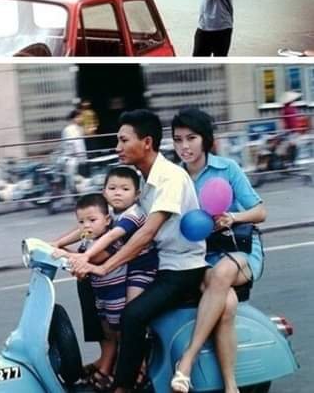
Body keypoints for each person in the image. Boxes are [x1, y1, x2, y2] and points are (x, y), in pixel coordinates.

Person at [71, 109, 207, 393]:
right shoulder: (143, 180)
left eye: (123, 140)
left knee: (133, 315)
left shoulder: (170, 177)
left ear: (146, 142)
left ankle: (123, 386)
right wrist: (72, 252)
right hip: (158, 262)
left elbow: (146, 233)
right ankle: (108, 356)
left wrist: (104, 266)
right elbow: (112, 225)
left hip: (180, 268)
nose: (117, 147)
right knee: (86, 284)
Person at [170, 107, 267, 393]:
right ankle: (231, 386)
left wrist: (233, 217)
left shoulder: (227, 168)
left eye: (191, 138)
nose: (184, 146)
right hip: (199, 257)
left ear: (206, 139)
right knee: (226, 306)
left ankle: (186, 361)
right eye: (178, 139)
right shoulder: (174, 177)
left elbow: (260, 210)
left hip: (239, 252)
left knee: (222, 273)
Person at [55, 167, 158, 390]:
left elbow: (108, 240)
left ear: (137, 194)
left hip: (141, 269)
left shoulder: (132, 216)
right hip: (114, 279)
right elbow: (84, 228)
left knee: (129, 321)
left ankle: (138, 368)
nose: (117, 193)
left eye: (124, 188)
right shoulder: (106, 217)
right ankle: (108, 363)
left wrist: (77, 256)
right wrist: (56, 244)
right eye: (112, 188)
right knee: (108, 326)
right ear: (104, 191)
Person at [61, 109, 87, 183]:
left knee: (80, 182)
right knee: (73, 183)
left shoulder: (78, 129)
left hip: (78, 159)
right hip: (72, 159)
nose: (81, 119)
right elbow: (73, 144)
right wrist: (80, 156)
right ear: (75, 118)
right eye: (80, 117)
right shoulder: (69, 129)